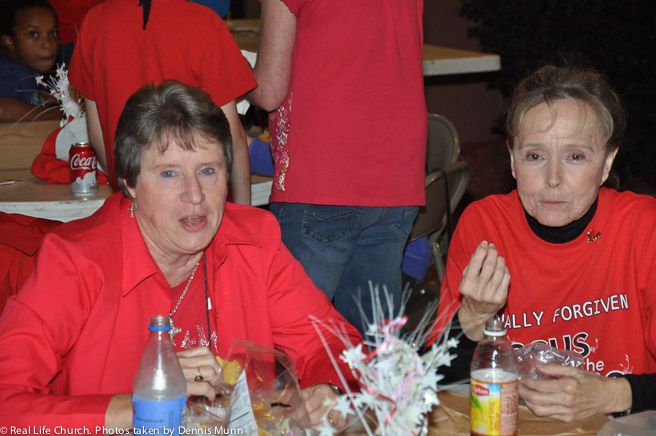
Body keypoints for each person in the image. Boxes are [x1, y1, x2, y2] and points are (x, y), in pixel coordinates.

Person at [0, 81, 361, 430]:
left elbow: (333, 344)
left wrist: (329, 389)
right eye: (169, 173)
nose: (195, 195)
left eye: (208, 171)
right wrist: (147, 406)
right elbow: (7, 406)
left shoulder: (254, 243)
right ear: (130, 182)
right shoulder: (73, 262)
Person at [430, 65, 656, 421]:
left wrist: (611, 394)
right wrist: (472, 316)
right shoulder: (485, 226)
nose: (553, 179)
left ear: (607, 162)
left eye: (575, 156)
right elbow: (441, 381)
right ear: (513, 160)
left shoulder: (642, 226)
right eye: (535, 156)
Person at [248, 0, 426, 339]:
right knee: (373, 348)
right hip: (396, 175)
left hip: (323, 177)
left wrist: (230, 70)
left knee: (294, 339)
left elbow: (269, 91)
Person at [68, 0, 256, 204]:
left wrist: (130, 189)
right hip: (195, 198)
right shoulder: (203, 22)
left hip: (134, 196)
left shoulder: (96, 21)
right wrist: (244, 211)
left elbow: (98, 133)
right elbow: (232, 137)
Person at [0, 0, 61, 122]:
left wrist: (42, 97)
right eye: (33, 34)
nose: (47, 44)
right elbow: (3, 109)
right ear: (9, 41)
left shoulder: (25, 71)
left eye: (53, 33)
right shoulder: (9, 73)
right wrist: (58, 114)